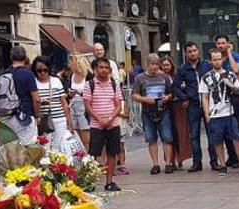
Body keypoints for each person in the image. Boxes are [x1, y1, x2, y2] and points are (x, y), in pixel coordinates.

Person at [200, 49, 239, 176]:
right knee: (217, 141)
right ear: (211, 61)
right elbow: (204, 97)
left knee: (237, 138)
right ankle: (222, 164)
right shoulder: (206, 78)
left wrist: (231, 86)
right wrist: (207, 115)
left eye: (219, 59)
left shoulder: (230, 75)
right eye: (214, 59)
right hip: (215, 114)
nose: (217, 62)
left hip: (229, 112)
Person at [84, 58, 125, 191]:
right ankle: (91, 181)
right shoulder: (90, 84)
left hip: (113, 124)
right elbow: (88, 105)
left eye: (106, 68)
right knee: (93, 154)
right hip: (97, 125)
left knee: (112, 153)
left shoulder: (114, 85)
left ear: (110, 70)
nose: (104, 70)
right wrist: (100, 119)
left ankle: (109, 181)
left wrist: (110, 118)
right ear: (96, 69)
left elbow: (118, 104)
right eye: (101, 67)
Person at [132, 53, 176, 174]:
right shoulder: (139, 78)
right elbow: (134, 94)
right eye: (152, 64)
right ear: (147, 64)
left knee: (167, 137)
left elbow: (172, 93)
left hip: (163, 110)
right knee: (151, 138)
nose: (155, 67)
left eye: (157, 64)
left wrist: (167, 97)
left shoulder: (165, 77)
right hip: (147, 111)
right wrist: (144, 99)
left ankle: (168, 163)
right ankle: (155, 164)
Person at [176, 42, 212, 172]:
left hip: (208, 103)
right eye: (189, 51)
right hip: (193, 104)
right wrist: (184, 97)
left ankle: (214, 161)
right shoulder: (182, 69)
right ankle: (197, 162)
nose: (192, 53)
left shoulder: (207, 65)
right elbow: (175, 86)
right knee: (195, 135)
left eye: (194, 50)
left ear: (198, 51)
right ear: (186, 53)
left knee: (211, 133)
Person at [34, 56, 73, 154]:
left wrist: (70, 124)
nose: (42, 73)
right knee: (45, 149)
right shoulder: (33, 82)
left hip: (59, 119)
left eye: (45, 70)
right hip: (43, 122)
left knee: (61, 148)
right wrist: (39, 103)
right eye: (39, 70)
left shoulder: (56, 81)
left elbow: (64, 104)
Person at [5, 45, 41, 144]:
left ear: (11, 57)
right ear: (25, 58)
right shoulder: (28, 74)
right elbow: (36, 99)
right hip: (25, 117)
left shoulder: (6, 73)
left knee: (13, 151)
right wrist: (37, 115)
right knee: (30, 149)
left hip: (8, 117)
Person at [161, 56, 191, 169]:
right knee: (169, 135)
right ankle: (170, 160)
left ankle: (180, 159)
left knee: (181, 133)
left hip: (178, 106)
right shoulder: (159, 77)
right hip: (166, 107)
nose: (165, 67)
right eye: (163, 65)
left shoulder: (176, 76)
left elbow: (180, 88)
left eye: (167, 65)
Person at [68, 54, 92, 152]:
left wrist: (78, 92)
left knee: (86, 138)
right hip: (73, 106)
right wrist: (70, 94)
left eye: (70, 62)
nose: (69, 65)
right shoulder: (72, 76)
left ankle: (91, 158)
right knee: (76, 137)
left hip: (84, 107)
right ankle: (82, 158)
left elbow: (92, 93)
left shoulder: (88, 75)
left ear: (76, 62)